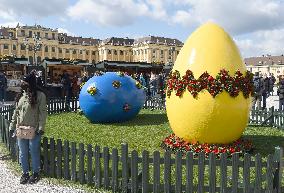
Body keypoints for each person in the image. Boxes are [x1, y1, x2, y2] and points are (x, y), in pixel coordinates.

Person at [8, 72, 47, 184]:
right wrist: (12, 126)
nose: (22, 83)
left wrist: (41, 127)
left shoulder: (40, 95)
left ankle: (35, 173)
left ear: (30, 83)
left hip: (34, 129)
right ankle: (25, 173)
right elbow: (16, 112)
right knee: (23, 152)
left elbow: (42, 113)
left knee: (34, 151)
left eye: (24, 81)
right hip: (21, 129)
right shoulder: (21, 95)